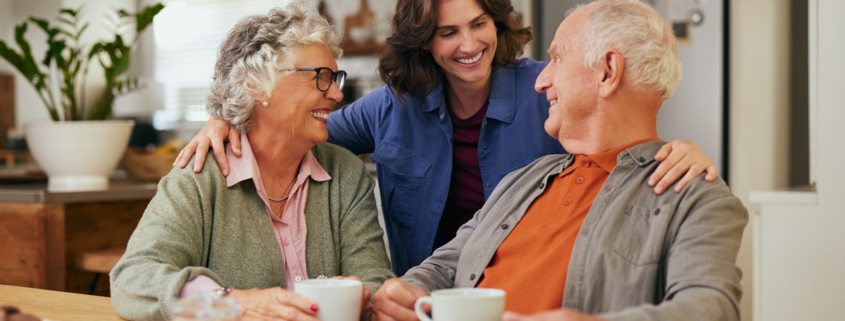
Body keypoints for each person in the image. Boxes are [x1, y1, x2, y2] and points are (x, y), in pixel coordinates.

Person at [174, 0, 720, 276]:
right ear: (424, 43)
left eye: (479, 23)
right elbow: (295, 131)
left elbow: (622, 133)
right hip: (429, 294)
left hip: (526, 293)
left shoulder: (546, 88)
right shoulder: (394, 105)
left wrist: (679, 150)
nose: (468, 43)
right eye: (448, 31)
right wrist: (230, 120)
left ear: (498, 25)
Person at [371, 0, 747, 320]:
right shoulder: (523, 180)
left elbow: (710, 308)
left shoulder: (692, 197)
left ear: (607, 72)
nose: (540, 80)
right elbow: (444, 266)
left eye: (556, 58)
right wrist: (406, 290)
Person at [109, 3, 393, 320]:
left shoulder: (346, 174)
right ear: (256, 84)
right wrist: (230, 302)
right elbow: (133, 278)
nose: (337, 95)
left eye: (334, 78)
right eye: (321, 77)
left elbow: (376, 283)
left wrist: (356, 294)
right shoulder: (202, 176)